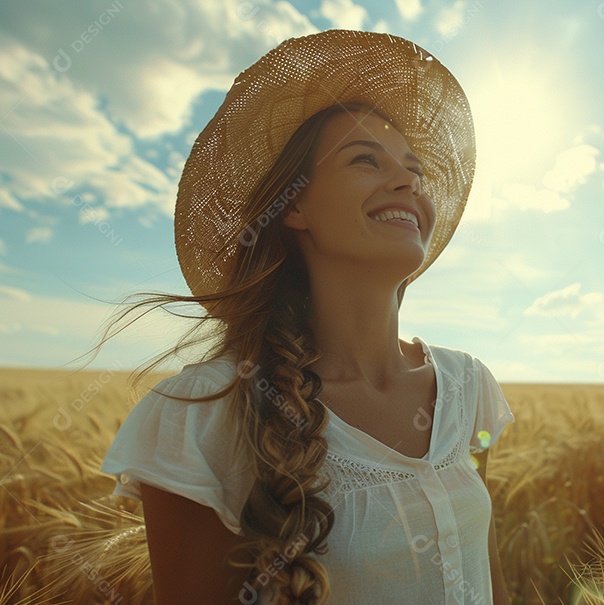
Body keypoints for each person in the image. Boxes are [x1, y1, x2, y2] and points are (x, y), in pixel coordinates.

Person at [94, 29, 514, 604]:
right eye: (366, 159)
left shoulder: (468, 388)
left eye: (414, 169)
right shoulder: (207, 417)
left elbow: (486, 581)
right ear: (294, 204)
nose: (408, 181)